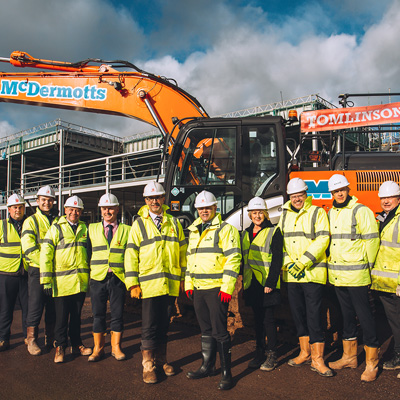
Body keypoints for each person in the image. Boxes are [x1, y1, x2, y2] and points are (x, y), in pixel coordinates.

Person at [125, 182, 187, 384]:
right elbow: (131, 255)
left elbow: (182, 253)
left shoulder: (174, 223)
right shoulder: (139, 225)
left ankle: (161, 360)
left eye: (158, 197)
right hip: (150, 285)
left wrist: (184, 279)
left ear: (163, 199)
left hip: (169, 285)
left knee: (163, 324)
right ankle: (148, 365)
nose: (154, 201)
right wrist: (132, 283)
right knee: (149, 326)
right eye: (150, 198)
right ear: (146, 201)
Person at [185, 190, 241, 390]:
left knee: (220, 331)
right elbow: (190, 260)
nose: (204, 211)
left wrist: (227, 288)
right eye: (200, 209)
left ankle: (227, 373)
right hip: (199, 289)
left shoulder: (226, 229)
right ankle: (207, 366)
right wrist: (188, 283)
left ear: (215, 208)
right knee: (206, 330)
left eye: (207, 208)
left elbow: (233, 259)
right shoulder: (194, 230)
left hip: (217, 290)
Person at [327, 174, 380, 382]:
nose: (339, 194)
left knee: (365, 317)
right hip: (339, 276)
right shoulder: (332, 213)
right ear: (331, 193)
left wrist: (368, 268)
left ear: (348, 190)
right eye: (335, 191)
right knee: (346, 317)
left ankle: (372, 362)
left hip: (357, 275)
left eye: (342, 190)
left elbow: (372, 241)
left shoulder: (361, 211)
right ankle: (349, 357)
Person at [279, 178, 333, 377]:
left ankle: (318, 359)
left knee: (314, 315)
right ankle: (304, 352)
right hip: (292, 276)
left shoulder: (317, 212)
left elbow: (323, 239)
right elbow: (280, 243)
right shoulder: (284, 216)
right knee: (298, 314)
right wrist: (288, 264)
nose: (296, 199)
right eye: (293, 196)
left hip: (312, 273)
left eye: (299, 195)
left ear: (305, 194)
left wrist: (302, 262)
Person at [40, 195, 92, 363]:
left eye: (77, 210)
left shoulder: (85, 229)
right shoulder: (56, 228)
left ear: (81, 212)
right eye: (71, 209)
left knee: (76, 317)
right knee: (61, 318)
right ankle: (60, 346)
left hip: (79, 282)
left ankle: (77, 344)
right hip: (61, 284)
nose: (74, 212)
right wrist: (46, 279)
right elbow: (46, 254)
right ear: (65, 210)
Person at [88, 193, 130, 362]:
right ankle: (98, 348)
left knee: (118, 314)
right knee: (98, 314)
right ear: (100, 210)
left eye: (111, 208)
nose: (107, 211)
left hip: (118, 278)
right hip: (98, 278)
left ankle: (116, 347)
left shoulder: (128, 230)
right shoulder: (91, 229)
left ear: (117, 209)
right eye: (104, 208)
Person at [242, 196, 283, 371]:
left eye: (260, 212)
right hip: (252, 284)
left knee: (268, 320)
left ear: (265, 214)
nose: (257, 216)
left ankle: (272, 354)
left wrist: (271, 282)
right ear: (250, 214)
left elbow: (277, 259)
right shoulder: (245, 233)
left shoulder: (274, 232)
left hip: (267, 284)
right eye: (254, 213)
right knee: (257, 320)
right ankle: (259, 352)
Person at [22, 185, 58, 356]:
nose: (47, 202)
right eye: (44, 200)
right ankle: (32, 339)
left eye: (49, 200)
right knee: (36, 305)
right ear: (38, 201)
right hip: (37, 270)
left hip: (54, 271)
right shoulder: (31, 221)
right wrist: (46, 264)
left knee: (52, 306)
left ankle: (50, 337)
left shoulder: (57, 220)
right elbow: (28, 248)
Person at [370, 181, 400, 375]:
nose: (385, 201)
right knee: (394, 322)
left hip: (395, 282)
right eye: (383, 198)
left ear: (398, 198)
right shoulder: (382, 218)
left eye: (389, 197)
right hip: (383, 282)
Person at [0, 194, 28, 351]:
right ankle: (3, 338)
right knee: (5, 308)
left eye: (20, 207)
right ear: (9, 209)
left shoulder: (29, 224)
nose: (18, 210)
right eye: (15, 207)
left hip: (25, 274)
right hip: (6, 274)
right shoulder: (1, 225)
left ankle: (27, 338)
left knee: (28, 309)